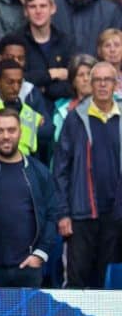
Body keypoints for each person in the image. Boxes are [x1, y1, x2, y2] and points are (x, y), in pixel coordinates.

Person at [53, 61, 122, 288]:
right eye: (97, 80)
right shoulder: (75, 119)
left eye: (107, 80)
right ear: (90, 84)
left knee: (110, 284)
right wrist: (63, 213)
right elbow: (61, 169)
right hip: (82, 215)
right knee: (78, 284)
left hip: (116, 216)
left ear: (116, 84)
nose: (102, 84)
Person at [0, 108, 56, 287]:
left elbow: (53, 215)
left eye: (11, 130)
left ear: (20, 132)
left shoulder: (39, 172)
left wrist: (40, 254)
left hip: (28, 270)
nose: (6, 136)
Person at [53, 54, 97, 141]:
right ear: (73, 82)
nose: (86, 79)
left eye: (90, 74)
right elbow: (58, 142)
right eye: (81, 75)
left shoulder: (114, 103)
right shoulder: (62, 111)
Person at [96, 28, 122, 98]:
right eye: (107, 46)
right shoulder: (93, 79)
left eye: (117, 45)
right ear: (100, 51)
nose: (112, 50)